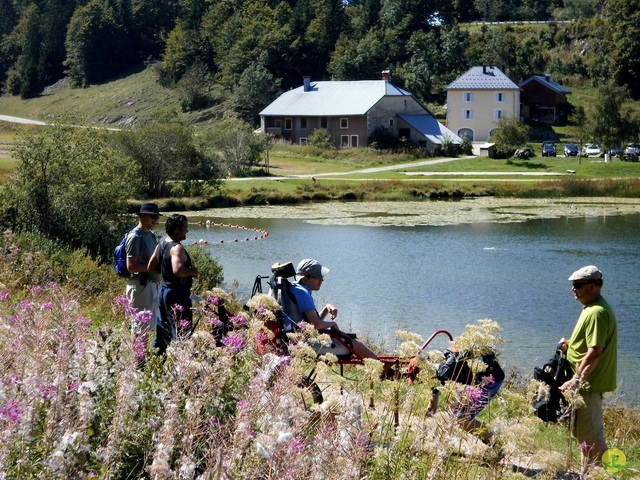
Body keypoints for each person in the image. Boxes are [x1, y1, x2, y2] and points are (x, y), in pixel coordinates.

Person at [559, 265, 617, 475]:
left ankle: (608, 475)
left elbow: (595, 352)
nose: (573, 289)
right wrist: (569, 345)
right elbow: (589, 344)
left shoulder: (597, 312)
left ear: (592, 286)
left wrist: (576, 380)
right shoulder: (592, 309)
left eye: (577, 285)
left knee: (593, 440)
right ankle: (588, 474)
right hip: (586, 386)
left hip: (589, 386)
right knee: (585, 437)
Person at [289, 259, 393, 374]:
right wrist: (333, 324)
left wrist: (326, 308)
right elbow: (317, 324)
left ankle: (381, 370)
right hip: (308, 345)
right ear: (305, 278)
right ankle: (385, 371)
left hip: (301, 339)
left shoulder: (295, 288)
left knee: (352, 341)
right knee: (355, 343)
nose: (322, 280)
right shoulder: (303, 293)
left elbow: (310, 324)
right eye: (318, 277)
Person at [148, 214, 199, 355]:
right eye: (185, 228)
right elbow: (178, 271)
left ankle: (156, 361)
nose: (187, 231)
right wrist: (192, 272)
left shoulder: (162, 245)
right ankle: (183, 362)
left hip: (164, 290)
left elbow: (151, 267)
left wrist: (166, 273)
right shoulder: (177, 248)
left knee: (163, 328)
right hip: (178, 293)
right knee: (182, 330)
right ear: (177, 230)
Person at [125, 203, 162, 366]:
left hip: (151, 285)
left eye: (156, 216)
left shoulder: (151, 235)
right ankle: (137, 364)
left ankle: (141, 362)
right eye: (152, 216)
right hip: (140, 286)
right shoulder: (135, 236)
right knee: (140, 326)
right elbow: (131, 266)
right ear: (142, 217)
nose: (155, 219)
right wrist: (152, 268)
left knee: (146, 327)